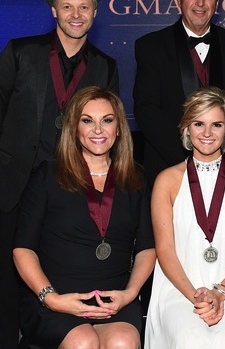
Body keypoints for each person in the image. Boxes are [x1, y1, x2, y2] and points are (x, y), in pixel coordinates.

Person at [0, 0, 119, 348]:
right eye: (67, 6)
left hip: (70, 188)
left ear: (95, 11)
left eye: (84, 7)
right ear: (54, 11)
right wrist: (21, 141)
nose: (76, 14)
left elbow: (108, 127)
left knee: (60, 275)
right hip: (17, 183)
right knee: (8, 280)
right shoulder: (20, 52)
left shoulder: (105, 66)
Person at [13, 87, 155, 349]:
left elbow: (147, 248)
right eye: (87, 120)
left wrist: (129, 295)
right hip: (57, 297)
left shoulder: (136, 179)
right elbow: (23, 249)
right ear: (74, 128)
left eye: (107, 120)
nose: (98, 130)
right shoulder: (48, 176)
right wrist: (52, 298)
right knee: (83, 342)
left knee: (122, 342)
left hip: (115, 297)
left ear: (119, 128)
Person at [145, 87, 225, 348]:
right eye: (198, 123)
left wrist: (219, 293)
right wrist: (195, 296)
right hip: (179, 288)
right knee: (188, 339)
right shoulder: (166, 181)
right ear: (186, 128)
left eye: (216, 124)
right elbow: (165, 249)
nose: (206, 133)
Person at [133, 0, 225, 187]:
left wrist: (221, 152)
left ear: (216, 3)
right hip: (169, 169)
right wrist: (189, 160)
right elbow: (146, 109)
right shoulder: (150, 46)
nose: (200, 3)